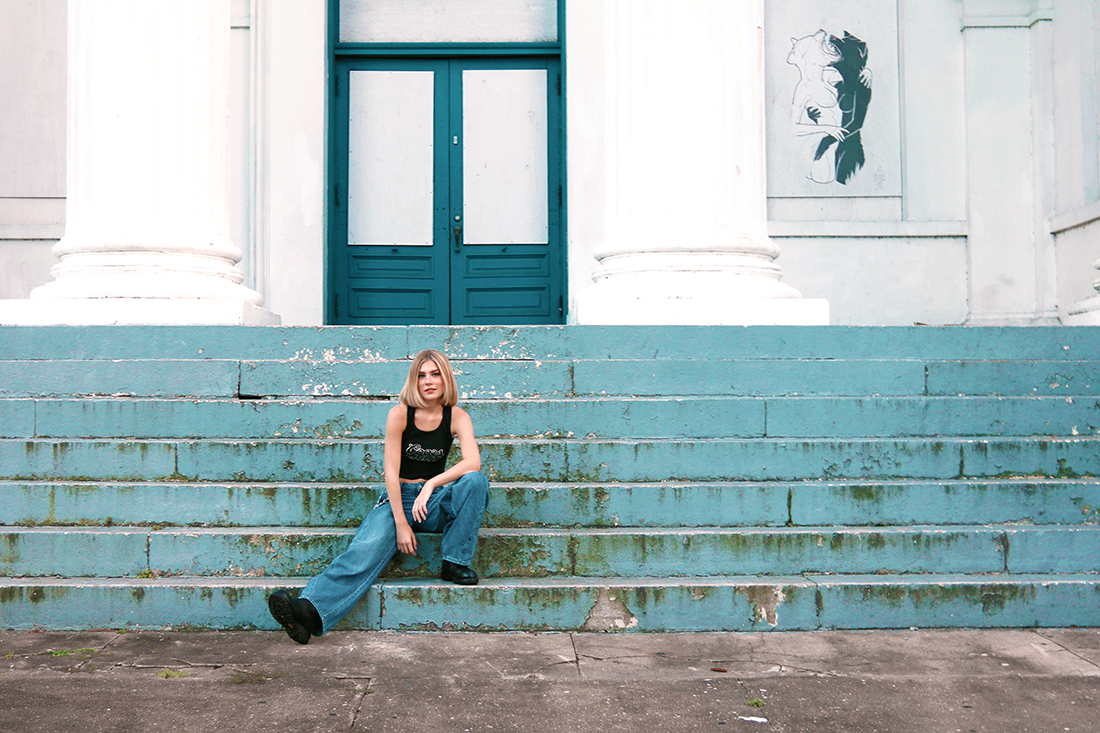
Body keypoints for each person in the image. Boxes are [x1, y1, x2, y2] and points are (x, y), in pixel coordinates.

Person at [267, 349, 490, 644]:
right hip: (397, 498)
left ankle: (455, 562)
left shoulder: (457, 417)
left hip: (432, 501)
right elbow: (390, 470)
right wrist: (400, 522)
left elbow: (472, 462)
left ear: (446, 378)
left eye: (435, 374)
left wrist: (430, 485)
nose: (428, 381)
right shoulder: (400, 414)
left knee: (476, 481)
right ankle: (310, 611)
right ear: (414, 381)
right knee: (364, 548)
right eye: (421, 375)